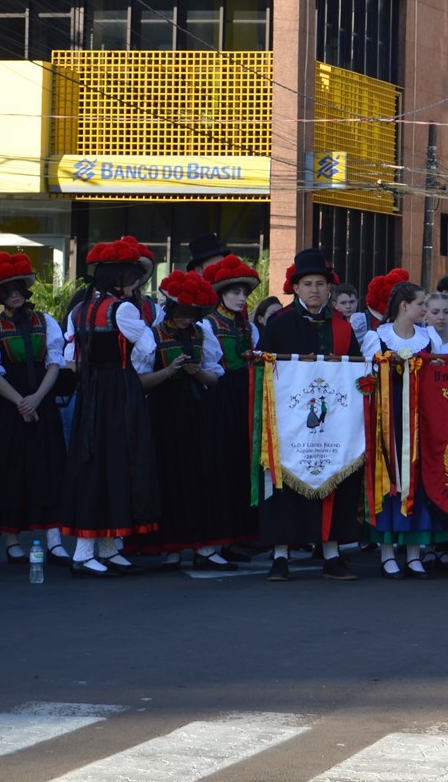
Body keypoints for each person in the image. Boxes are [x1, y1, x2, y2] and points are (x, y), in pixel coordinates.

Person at [257, 248, 376, 583]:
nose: (314, 289)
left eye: (320, 284)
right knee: (283, 484)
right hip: (288, 423)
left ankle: (332, 553)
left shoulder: (341, 328)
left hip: (333, 424)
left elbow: (356, 371)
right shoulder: (279, 324)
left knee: (336, 480)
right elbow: (262, 367)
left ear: (329, 289)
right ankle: (280, 555)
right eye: (307, 283)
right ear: (295, 288)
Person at [61, 236, 162, 578]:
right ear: (119, 279)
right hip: (120, 390)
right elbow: (146, 348)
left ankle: (103, 548)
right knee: (117, 462)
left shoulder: (82, 309)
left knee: (94, 462)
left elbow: (69, 356)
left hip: (91, 391)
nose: (135, 284)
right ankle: (86, 552)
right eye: (132, 278)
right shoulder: (125, 309)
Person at [0, 252, 69, 566]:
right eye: (6, 289)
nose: (13, 293)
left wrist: (36, 398)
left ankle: (54, 540)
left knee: (50, 469)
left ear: (25, 291)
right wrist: (20, 402)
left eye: (18, 288)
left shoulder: (46, 322)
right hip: (6, 410)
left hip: (43, 404)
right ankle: (12, 541)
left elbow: (55, 363)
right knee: (8, 472)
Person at [137, 271, 239, 571]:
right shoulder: (150, 336)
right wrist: (170, 371)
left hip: (198, 412)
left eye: (191, 314)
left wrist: (196, 372)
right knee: (169, 477)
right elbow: (139, 381)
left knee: (202, 476)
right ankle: (171, 548)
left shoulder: (203, 334)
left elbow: (215, 377)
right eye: (181, 313)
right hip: (163, 413)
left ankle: (204, 547)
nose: (185, 319)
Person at [366, 281, 448, 580]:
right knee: (390, 479)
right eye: (420, 305)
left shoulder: (429, 338)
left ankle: (415, 554)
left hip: (421, 419)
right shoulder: (375, 337)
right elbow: (365, 380)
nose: (424, 310)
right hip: (388, 421)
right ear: (405, 306)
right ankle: (388, 553)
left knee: (418, 478)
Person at [203, 255, 262, 557]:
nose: (240, 298)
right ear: (221, 294)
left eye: (243, 293)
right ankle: (223, 538)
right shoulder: (207, 324)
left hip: (245, 394)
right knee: (224, 464)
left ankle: (243, 533)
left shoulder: (248, 327)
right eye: (234, 293)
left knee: (245, 462)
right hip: (221, 395)